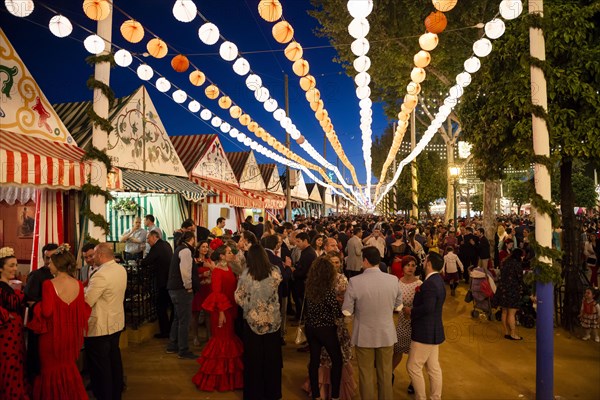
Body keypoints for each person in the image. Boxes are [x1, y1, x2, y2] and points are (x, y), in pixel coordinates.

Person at [28, 244, 91, 400]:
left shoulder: (48, 285)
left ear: (57, 264)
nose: (48, 265)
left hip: (52, 337)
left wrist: (35, 305)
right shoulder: (77, 283)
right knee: (68, 368)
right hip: (69, 336)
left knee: (49, 371)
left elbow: (47, 312)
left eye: (51, 262)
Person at [342, 246, 402, 400]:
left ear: (365, 260)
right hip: (386, 334)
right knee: (385, 373)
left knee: (366, 374)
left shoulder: (355, 281)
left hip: (364, 335)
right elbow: (399, 306)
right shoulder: (393, 280)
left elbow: (347, 310)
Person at [302, 252, 356, 400]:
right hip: (326, 329)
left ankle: (316, 394)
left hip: (311, 327)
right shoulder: (328, 289)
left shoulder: (309, 287)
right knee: (337, 360)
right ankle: (335, 395)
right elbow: (336, 311)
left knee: (314, 360)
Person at [235, 244, 283, 400]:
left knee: (253, 361)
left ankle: (254, 394)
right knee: (272, 360)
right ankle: (272, 393)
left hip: (252, 323)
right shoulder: (275, 272)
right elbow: (277, 288)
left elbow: (238, 297)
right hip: (273, 323)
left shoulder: (246, 275)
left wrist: (251, 307)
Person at [193, 244, 243, 392]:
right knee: (222, 341)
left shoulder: (229, 268)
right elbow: (216, 293)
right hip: (221, 311)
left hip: (229, 309)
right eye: (228, 252)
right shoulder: (218, 272)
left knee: (229, 339)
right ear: (221, 256)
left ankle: (228, 377)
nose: (231, 254)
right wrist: (221, 312)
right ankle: (218, 378)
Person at [85, 243, 127, 400]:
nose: (92, 258)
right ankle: (116, 393)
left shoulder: (101, 274)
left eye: (94, 255)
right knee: (114, 361)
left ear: (101, 255)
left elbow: (88, 301)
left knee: (100, 368)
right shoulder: (120, 269)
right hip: (116, 322)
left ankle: (104, 395)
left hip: (101, 327)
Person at [406, 252, 446, 400]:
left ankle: (421, 397)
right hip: (433, 330)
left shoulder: (429, 283)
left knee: (413, 367)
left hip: (424, 331)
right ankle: (435, 397)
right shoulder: (438, 280)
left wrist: (411, 311)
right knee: (433, 368)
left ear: (428, 264)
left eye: (425, 261)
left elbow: (428, 307)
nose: (423, 263)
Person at [24, 242, 58, 381]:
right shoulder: (36, 275)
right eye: (47, 257)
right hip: (40, 326)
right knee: (38, 359)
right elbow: (29, 300)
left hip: (56, 326)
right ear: (43, 258)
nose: (49, 261)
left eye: (53, 257)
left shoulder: (62, 275)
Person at [0, 247, 28, 400]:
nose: (15, 268)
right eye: (11, 265)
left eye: (16, 265)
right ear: (0, 268)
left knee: (16, 364)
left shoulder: (9, 286)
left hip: (15, 335)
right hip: (5, 337)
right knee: (8, 366)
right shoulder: (2, 287)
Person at [165, 231, 197, 359]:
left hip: (173, 288)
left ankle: (172, 345)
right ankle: (183, 350)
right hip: (181, 290)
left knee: (177, 318)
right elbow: (185, 271)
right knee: (184, 321)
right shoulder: (186, 251)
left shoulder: (179, 248)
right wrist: (188, 286)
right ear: (192, 239)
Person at [392, 255, 421, 395]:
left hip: (415, 323)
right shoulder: (398, 282)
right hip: (402, 321)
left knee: (414, 355)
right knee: (397, 350)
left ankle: (414, 381)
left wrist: (412, 311)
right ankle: (389, 374)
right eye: (408, 265)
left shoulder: (419, 284)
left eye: (413, 265)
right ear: (402, 267)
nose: (410, 268)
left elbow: (423, 305)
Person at [140, 230, 173, 339]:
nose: (148, 241)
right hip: (170, 280)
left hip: (163, 282)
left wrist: (139, 261)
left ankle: (165, 331)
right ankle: (171, 329)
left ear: (155, 237)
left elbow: (146, 261)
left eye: (148, 238)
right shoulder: (166, 244)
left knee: (160, 307)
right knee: (170, 307)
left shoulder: (157, 248)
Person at [494, 249, 525, 341]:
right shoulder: (517, 264)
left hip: (503, 289)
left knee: (504, 311)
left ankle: (506, 332)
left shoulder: (505, 262)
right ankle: (513, 334)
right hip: (512, 290)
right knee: (512, 313)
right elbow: (520, 278)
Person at [191, 240, 214, 345]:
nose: (205, 249)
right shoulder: (194, 261)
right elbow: (192, 276)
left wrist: (210, 273)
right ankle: (195, 336)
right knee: (195, 314)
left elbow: (215, 272)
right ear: (198, 248)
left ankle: (209, 336)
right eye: (203, 247)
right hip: (198, 289)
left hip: (207, 289)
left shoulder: (210, 261)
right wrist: (202, 275)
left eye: (207, 247)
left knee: (208, 314)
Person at [292, 232, 318, 323]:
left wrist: (293, 271)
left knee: (302, 302)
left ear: (305, 241)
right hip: (301, 282)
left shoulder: (309, 253)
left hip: (303, 283)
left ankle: (302, 319)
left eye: (298, 241)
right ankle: (299, 316)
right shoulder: (306, 251)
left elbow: (304, 272)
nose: (296, 244)